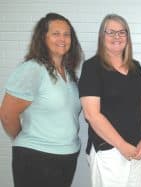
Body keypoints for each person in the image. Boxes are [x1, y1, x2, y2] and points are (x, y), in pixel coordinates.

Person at [0, 13, 83, 187]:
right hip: (36, 156)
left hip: (67, 156)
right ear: (43, 37)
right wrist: (27, 137)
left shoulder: (69, 73)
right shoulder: (32, 69)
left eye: (67, 34)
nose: (62, 38)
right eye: (56, 33)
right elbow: (7, 115)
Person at [78, 13, 141, 187]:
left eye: (121, 32)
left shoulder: (136, 67)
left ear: (128, 36)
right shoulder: (92, 68)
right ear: (101, 36)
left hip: (136, 149)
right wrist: (122, 145)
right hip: (109, 150)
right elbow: (91, 115)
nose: (116, 36)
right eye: (110, 32)